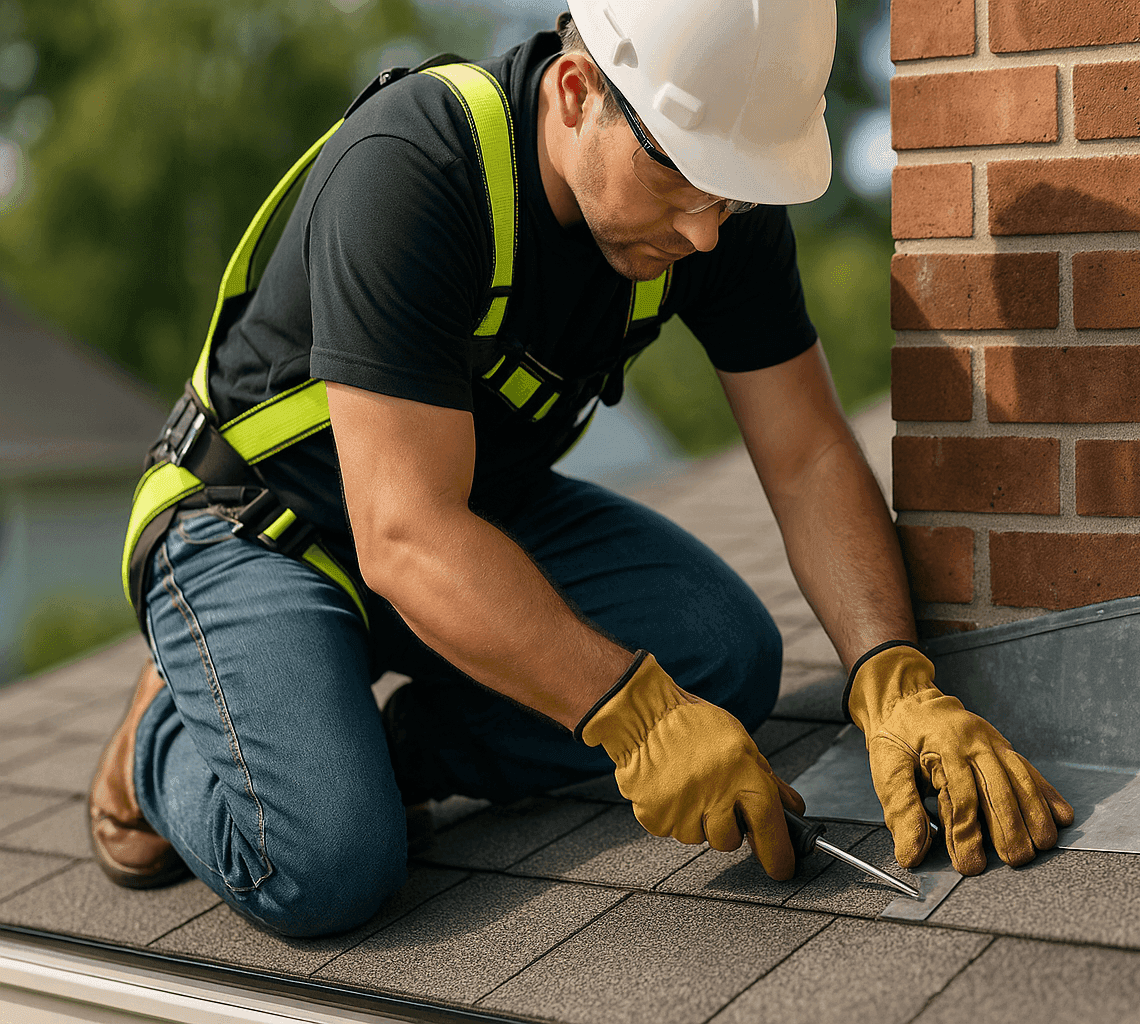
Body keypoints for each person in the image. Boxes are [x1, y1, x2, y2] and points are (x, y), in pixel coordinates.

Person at [88, 0, 1073, 937]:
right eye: (682, 177)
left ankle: (360, 741)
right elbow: (403, 533)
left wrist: (890, 673)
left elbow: (809, 452)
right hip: (258, 529)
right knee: (329, 859)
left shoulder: (715, 210)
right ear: (575, 92)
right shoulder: (414, 165)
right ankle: (166, 738)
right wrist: (633, 717)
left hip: (468, 519)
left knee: (724, 662)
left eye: (728, 192)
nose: (702, 230)